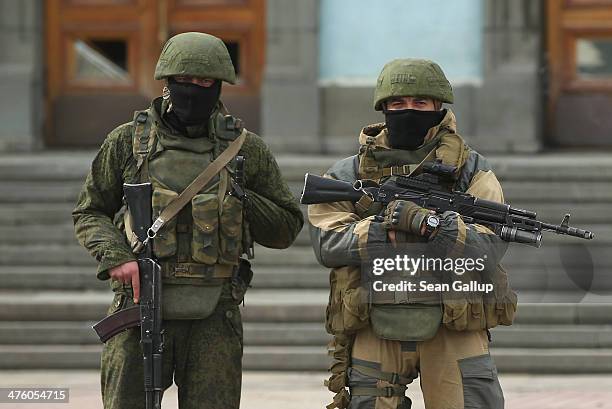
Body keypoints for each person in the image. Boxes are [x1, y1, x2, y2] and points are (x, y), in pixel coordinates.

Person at [72, 32, 303, 409]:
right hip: (139, 303)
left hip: (214, 313)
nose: (192, 90)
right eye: (183, 82)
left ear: (219, 86)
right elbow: (89, 210)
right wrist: (117, 257)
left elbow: (286, 228)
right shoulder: (128, 142)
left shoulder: (245, 149)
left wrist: (241, 195)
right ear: (167, 83)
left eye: (204, 82)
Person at [308, 59, 516, 409]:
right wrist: (386, 228)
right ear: (384, 108)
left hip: (454, 321)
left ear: (438, 108)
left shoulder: (471, 170)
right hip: (374, 316)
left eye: (420, 103)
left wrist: (431, 224)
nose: (409, 111)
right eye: (398, 104)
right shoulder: (349, 173)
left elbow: (490, 246)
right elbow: (328, 243)